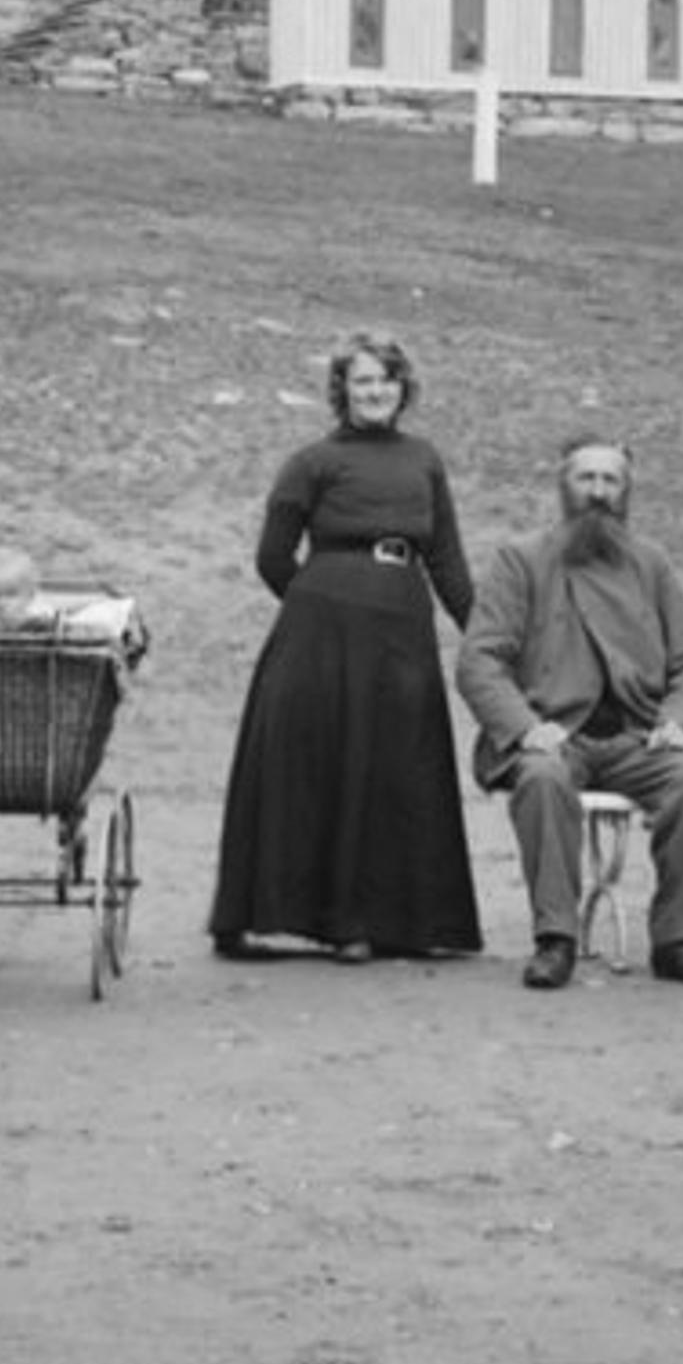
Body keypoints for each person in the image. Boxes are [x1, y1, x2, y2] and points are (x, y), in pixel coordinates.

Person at [208, 330, 483, 965]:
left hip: (403, 625)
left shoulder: (424, 460)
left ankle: (390, 923)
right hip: (322, 628)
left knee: (394, 762)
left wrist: (485, 638)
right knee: (314, 762)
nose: (376, 390)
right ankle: (315, 922)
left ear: (403, 388)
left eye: (386, 379)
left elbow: (447, 560)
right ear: (342, 391)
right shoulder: (313, 462)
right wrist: (319, 610)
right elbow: (273, 557)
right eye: (362, 381)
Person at [457, 437, 683, 989]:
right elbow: (479, 660)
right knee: (542, 778)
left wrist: (678, 721)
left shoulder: (650, 563)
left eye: (611, 481)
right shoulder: (522, 559)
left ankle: (680, 941)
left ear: (626, 491)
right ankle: (555, 939)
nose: (599, 493)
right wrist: (527, 729)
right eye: (587, 479)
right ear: (564, 486)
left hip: (637, 737)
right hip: (556, 736)